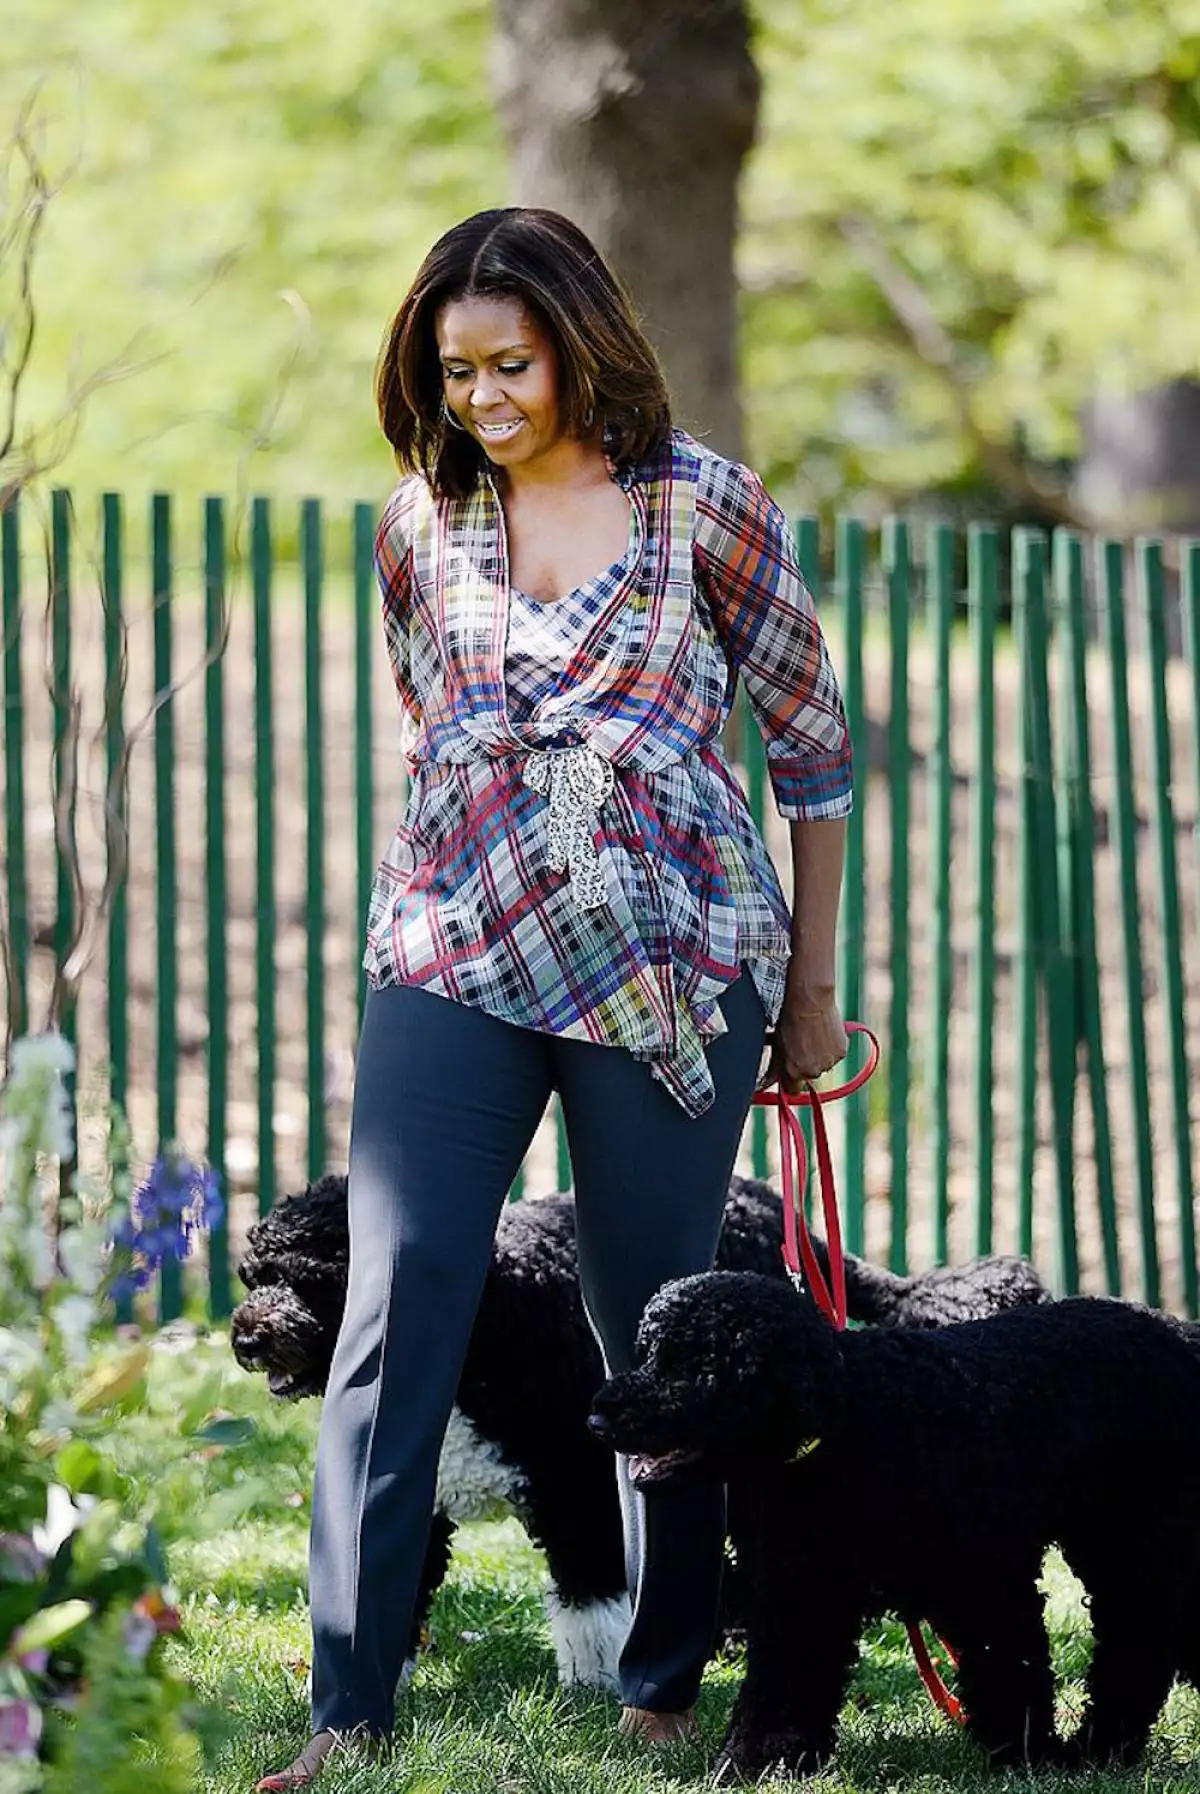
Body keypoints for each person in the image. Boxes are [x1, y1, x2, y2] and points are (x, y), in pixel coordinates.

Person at [255, 206, 853, 1790]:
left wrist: (807, 988)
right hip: (455, 945)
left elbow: (811, 747)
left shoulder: (708, 507)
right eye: (454, 371)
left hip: (672, 963)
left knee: (650, 1313)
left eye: (509, 363)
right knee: (403, 1287)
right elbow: (428, 725)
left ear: (582, 342)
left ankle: (667, 1666)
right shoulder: (418, 525)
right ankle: (348, 1709)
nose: (482, 398)